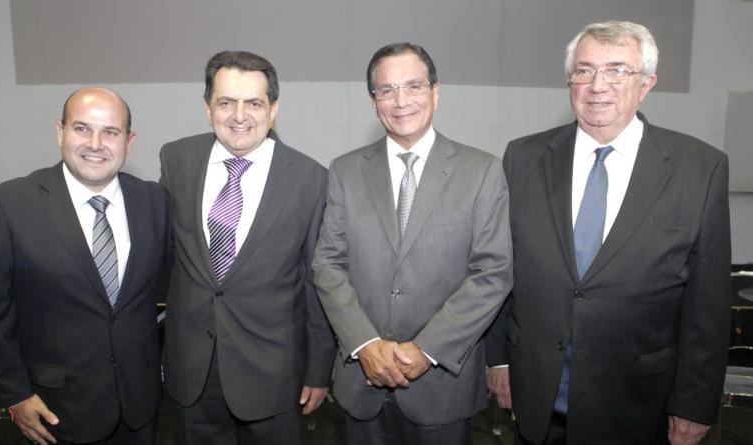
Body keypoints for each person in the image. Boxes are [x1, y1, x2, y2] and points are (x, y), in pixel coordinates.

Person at [491, 20, 731, 445]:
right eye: (584, 70)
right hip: (537, 398)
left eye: (617, 70)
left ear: (646, 83)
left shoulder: (700, 167)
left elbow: (708, 303)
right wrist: (499, 362)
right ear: (570, 81)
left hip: (639, 406)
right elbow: (500, 270)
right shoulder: (522, 157)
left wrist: (695, 403)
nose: (597, 85)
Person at [312, 42, 513, 445]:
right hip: (362, 382)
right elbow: (328, 264)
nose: (401, 101)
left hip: (441, 388)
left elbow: (492, 273)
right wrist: (365, 344)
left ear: (436, 93)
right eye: (386, 90)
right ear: (374, 102)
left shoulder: (481, 171)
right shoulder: (345, 171)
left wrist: (426, 350)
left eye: (413, 86)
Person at [0, 87, 169, 445]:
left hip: (140, 405)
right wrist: (13, 396)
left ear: (129, 141)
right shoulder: (8, 203)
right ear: (60, 132)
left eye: (110, 132)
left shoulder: (155, 200)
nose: (95, 144)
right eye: (81, 128)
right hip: (53, 410)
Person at [159, 50, 335, 445]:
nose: (239, 115)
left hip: (275, 375)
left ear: (273, 109)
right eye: (226, 102)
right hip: (191, 372)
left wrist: (318, 369)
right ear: (208, 107)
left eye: (254, 103)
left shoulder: (311, 179)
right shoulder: (177, 160)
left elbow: (316, 283)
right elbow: (164, 256)